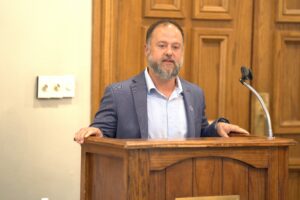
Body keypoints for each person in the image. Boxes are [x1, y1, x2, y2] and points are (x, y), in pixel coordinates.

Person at [74, 19, 249, 144]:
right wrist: (97, 132)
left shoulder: (195, 94)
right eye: (162, 45)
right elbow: (101, 131)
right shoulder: (119, 93)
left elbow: (199, 133)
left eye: (175, 47)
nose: (169, 52)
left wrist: (217, 128)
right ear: (147, 50)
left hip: (183, 188)